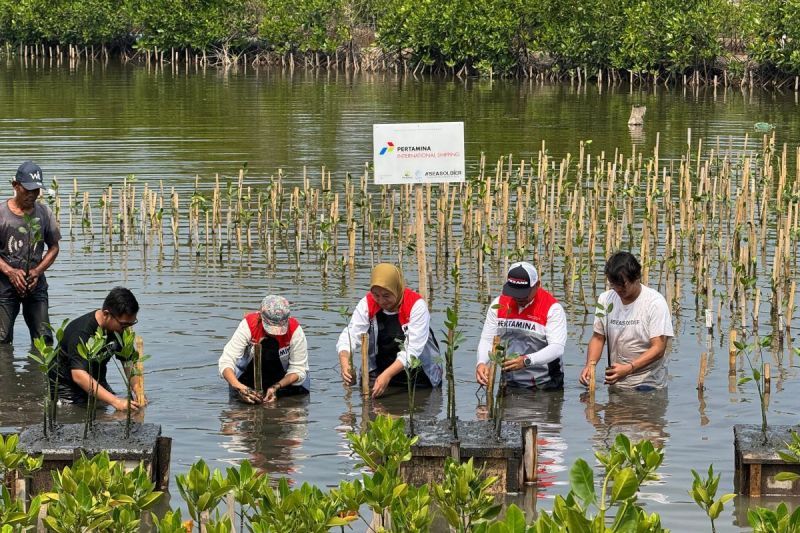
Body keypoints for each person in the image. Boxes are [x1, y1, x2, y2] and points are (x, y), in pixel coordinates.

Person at [337, 263, 442, 398]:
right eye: (376, 295)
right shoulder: (368, 303)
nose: (381, 300)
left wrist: (387, 374)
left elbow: (413, 350)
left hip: (419, 375)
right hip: (380, 371)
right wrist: (345, 363)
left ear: (397, 289)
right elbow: (350, 335)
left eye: (386, 295)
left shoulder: (415, 305)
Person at [579, 251, 674, 391]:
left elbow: (658, 348)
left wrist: (629, 369)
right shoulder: (605, 300)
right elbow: (598, 337)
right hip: (616, 383)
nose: (618, 289)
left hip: (648, 385)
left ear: (636, 278)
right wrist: (590, 366)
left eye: (623, 285)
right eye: (613, 284)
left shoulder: (655, 303)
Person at [476, 261, 567, 391]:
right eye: (514, 292)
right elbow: (487, 339)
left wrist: (526, 360)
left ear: (537, 285)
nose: (519, 298)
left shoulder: (552, 309)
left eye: (523, 293)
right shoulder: (499, 304)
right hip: (508, 382)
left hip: (545, 385)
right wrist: (481, 363)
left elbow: (557, 348)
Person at [50, 287, 142, 410]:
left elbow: (128, 362)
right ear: (106, 314)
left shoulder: (121, 329)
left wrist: (138, 391)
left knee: (128, 410)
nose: (127, 329)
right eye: (124, 324)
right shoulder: (82, 332)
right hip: (67, 387)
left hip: (97, 380)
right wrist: (116, 401)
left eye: (131, 324)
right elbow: (78, 374)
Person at [0, 161, 61, 345]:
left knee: (44, 339)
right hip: (4, 286)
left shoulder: (44, 213)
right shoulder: (1, 214)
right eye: (28, 190)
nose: (32, 195)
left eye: (36, 190)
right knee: (2, 341)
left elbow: (54, 247)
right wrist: (10, 272)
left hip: (35, 284)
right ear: (15, 186)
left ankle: (40, 374)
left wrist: (37, 271)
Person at [219, 295, 309, 404]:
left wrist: (276, 387)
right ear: (261, 318)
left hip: (284, 377)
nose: (274, 333)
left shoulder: (295, 331)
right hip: (247, 376)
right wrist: (239, 387)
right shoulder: (248, 325)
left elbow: (298, 369)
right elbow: (227, 360)